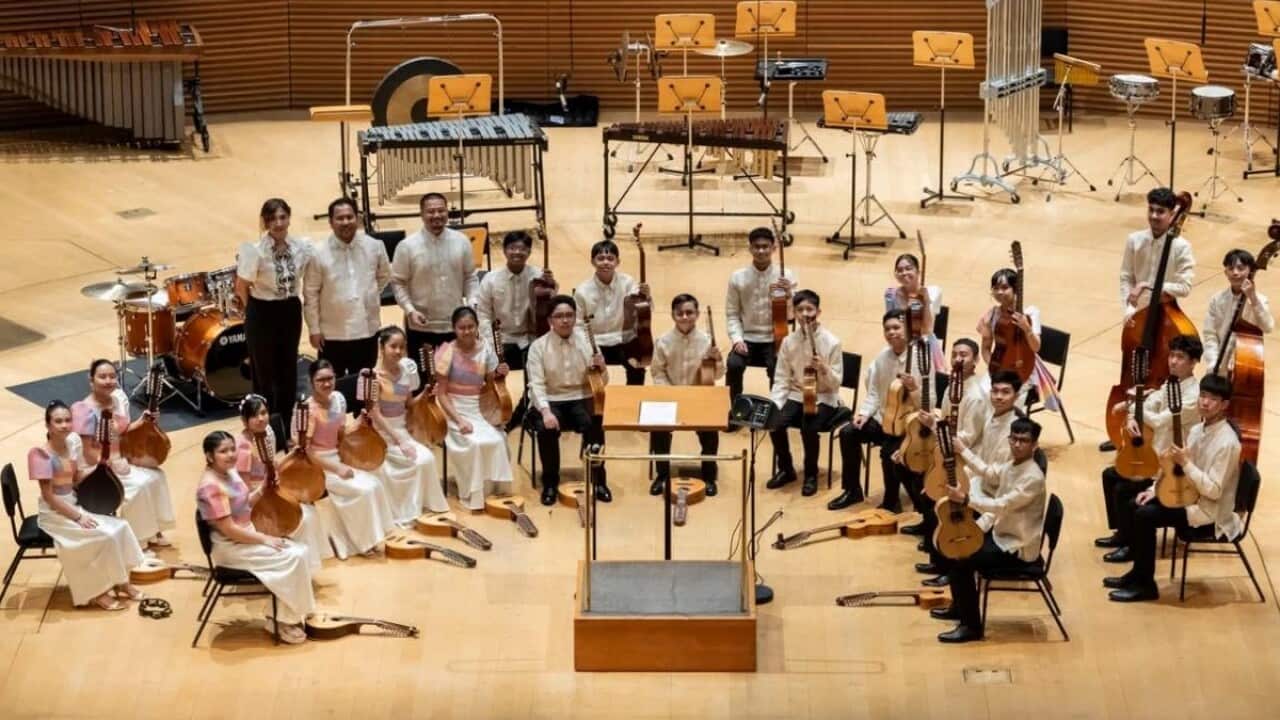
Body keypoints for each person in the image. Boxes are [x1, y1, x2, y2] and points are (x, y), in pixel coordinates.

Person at [1106, 374, 1242, 602]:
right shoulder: (1199, 429)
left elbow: (1214, 490)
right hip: (1190, 495)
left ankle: (1145, 585)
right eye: (1203, 396)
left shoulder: (1227, 443)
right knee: (1135, 502)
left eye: (1213, 399)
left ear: (1225, 405)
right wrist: (1154, 489)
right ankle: (1138, 573)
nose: (1205, 402)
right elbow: (1173, 466)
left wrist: (1186, 463)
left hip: (1209, 511)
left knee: (1145, 516)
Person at [935, 417, 1048, 643]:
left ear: (1034, 445)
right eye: (1013, 439)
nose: (1017, 445)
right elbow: (989, 474)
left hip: (1017, 549)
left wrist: (966, 499)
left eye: (1023, 441)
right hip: (1001, 535)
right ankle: (961, 608)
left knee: (961, 559)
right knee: (956, 543)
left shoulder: (1032, 477)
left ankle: (971, 627)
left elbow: (1002, 505)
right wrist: (963, 451)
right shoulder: (1013, 464)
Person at [197, 430, 316, 644]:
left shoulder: (229, 473)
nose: (231, 454)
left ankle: (286, 615)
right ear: (209, 456)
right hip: (230, 548)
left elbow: (245, 504)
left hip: (245, 536)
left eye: (232, 448)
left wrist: (263, 489)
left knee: (301, 549)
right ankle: (280, 621)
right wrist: (264, 538)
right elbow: (229, 529)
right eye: (223, 451)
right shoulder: (210, 487)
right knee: (294, 556)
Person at [28, 400, 146, 611]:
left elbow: (76, 478)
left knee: (120, 527)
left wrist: (99, 466)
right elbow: (49, 497)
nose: (64, 425)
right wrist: (78, 517)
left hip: (73, 502)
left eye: (67, 420)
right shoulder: (40, 455)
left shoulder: (72, 444)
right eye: (58, 421)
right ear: (47, 425)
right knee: (103, 536)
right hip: (55, 514)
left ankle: (122, 582)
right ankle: (97, 592)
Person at [1096, 335, 1202, 562]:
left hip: (1171, 468)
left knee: (1124, 490)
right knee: (1110, 475)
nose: (1173, 361)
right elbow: (1150, 404)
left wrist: (1134, 410)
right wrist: (1134, 415)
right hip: (1154, 455)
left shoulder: (1194, 396)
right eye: (1172, 355)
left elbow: (1161, 420)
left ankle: (1131, 543)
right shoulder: (1170, 383)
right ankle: (1122, 533)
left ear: (1193, 362)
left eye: (1180, 357)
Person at [765, 290, 858, 505]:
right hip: (798, 394)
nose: (805, 313)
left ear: (818, 312)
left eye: (809, 309)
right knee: (774, 424)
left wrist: (824, 368)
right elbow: (781, 378)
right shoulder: (788, 342)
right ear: (794, 313)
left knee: (809, 427)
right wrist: (775, 405)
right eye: (800, 310)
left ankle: (811, 475)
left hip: (824, 396)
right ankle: (786, 469)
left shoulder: (832, 342)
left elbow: (836, 383)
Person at [71, 359, 175, 548]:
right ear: (91, 380)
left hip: (121, 459)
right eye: (102, 376)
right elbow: (87, 453)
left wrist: (142, 421)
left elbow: (123, 430)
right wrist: (111, 463)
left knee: (157, 476)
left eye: (112, 376)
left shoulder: (118, 399)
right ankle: (138, 540)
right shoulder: (83, 410)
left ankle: (155, 530)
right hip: (97, 466)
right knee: (140, 484)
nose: (109, 380)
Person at [304, 360, 396, 559]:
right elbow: (306, 451)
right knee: (363, 491)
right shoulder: (307, 411)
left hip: (338, 457)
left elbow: (341, 433)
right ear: (311, 382)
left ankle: (373, 537)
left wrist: (359, 423)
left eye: (330, 378)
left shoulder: (338, 399)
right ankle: (361, 544)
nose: (327, 384)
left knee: (375, 484)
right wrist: (336, 469)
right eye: (321, 380)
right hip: (319, 465)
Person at [526, 294, 611, 506]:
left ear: (575, 318)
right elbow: (536, 385)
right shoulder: (538, 347)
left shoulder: (588, 343)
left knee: (597, 422)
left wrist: (603, 368)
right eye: (559, 316)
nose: (565, 320)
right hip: (550, 400)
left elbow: (602, 382)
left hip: (580, 397)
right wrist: (545, 412)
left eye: (569, 315)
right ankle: (550, 483)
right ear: (550, 321)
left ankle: (598, 479)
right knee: (545, 430)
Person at [235, 394, 335, 571]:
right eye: (254, 416)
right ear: (245, 420)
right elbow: (243, 493)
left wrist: (293, 454)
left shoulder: (267, 432)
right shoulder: (242, 448)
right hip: (257, 503)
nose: (261, 418)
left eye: (264, 413)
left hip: (271, 491)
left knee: (310, 512)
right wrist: (266, 490)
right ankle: (300, 568)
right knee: (303, 519)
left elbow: (273, 467)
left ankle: (307, 567)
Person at [838, 310, 921, 513]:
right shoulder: (882, 358)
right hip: (884, 419)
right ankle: (852, 490)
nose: (892, 332)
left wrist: (914, 389)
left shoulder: (920, 360)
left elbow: (930, 403)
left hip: (907, 427)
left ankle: (892, 500)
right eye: (887, 329)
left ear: (907, 330)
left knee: (888, 452)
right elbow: (874, 392)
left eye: (896, 328)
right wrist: (864, 414)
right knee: (848, 432)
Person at [235, 198, 310, 416]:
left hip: (290, 309)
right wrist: (253, 312)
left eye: (282, 217)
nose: (278, 223)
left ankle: (287, 421)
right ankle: (265, 423)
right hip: (262, 311)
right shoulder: (255, 251)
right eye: (272, 219)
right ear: (265, 222)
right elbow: (242, 286)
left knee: (288, 367)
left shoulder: (300, 247)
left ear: (289, 218)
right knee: (263, 371)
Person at [434, 308, 515, 510]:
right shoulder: (446, 352)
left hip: (480, 406)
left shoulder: (486, 349)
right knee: (474, 443)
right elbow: (441, 394)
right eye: (462, 328)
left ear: (477, 327)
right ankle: (474, 495)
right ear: (454, 329)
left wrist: (499, 374)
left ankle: (494, 493)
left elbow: (490, 383)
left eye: (471, 327)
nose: (467, 331)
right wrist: (459, 421)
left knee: (497, 439)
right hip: (454, 408)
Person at [476, 230, 556, 430]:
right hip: (500, 338)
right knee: (484, 366)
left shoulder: (539, 277)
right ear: (504, 251)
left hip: (529, 338)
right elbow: (483, 314)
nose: (517, 252)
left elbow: (551, 308)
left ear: (529, 251)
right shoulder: (491, 279)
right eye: (512, 248)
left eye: (522, 249)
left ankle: (524, 412)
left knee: (540, 372)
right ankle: (493, 409)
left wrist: (552, 287)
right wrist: (490, 343)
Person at [364, 326, 446, 523]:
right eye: (393, 346)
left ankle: (420, 505)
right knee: (409, 462)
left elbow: (409, 404)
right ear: (382, 348)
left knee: (426, 459)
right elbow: (373, 412)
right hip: (382, 434)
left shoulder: (406, 372)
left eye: (402, 346)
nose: (398, 351)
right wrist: (397, 439)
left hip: (403, 429)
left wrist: (425, 395)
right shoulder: (372, 377)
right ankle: (401, 511)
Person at [303, 197, 391, 378]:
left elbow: (384, 276)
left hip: (366, 331)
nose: (345, 222)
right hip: (332, 334)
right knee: (333, 387)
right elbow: (310, 293)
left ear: (357, 218)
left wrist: (369, 294)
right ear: (330, 222)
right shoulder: (318, 253)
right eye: (340, 218)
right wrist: (314, 329)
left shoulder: (375, 246)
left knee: (363, 385)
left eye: (349, 217)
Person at [390, 192, 479, 369]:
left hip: (454, 326)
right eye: (431, 212)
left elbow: (470, 277)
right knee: (425, 384)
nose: (436, 215)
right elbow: (398, 282)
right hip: (421, 327)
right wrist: (410, 310)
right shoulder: (407, 246)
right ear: (421, 214)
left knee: (455, 380)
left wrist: (472, 303)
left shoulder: (462, 241)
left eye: (441, 210)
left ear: (447, 212)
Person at [649, 293, 724, 497]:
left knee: (710, 431)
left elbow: (717, 375)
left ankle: (708, 474)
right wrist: (671, 394)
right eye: (680, 313)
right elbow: (657, 371)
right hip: (670, 395)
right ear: (673, 315)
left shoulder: (708, 342)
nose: (684, 317)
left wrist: (717, 360)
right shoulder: (663, 341)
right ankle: (662, 474)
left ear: (697, 314)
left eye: (689, 312)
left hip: (699, 396)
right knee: (659, 430)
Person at [725, 227, 796, 403]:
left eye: (766, 246)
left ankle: (776, 412)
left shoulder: (785, 276)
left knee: (778, 369)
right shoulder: (737, 277)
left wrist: (790, 296)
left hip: (775, 338)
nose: (761, 251)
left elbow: (794, 316)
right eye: (756, 247)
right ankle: (735, 409)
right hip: (747, 338)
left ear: (774, 248)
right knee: (734, 365)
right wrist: (737, 340)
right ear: (750, 248)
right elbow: (732, 313)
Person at [574, 239, 649, 386]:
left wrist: (645, 296)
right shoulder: (582, 291)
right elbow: (577, 325)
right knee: (590, 372)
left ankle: (632, 402)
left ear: (618, 261)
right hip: (595, 342)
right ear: (592, 261)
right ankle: (594, 404)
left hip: (623, 339)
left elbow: (642, 308)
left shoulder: (628, 282)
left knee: (638, 365)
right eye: (600, 258)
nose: (606, 262)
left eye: (610, 258)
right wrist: (589, 347)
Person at [1120, 186, 1195, 321]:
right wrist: (1129, 309)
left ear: (1172, 215)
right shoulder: (1134, 240)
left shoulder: (1182, 247)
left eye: (1160, 212)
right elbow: (1126, 278)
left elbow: (1185, 287)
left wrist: (1149, 286)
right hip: (1137, 313)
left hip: (1165, 314)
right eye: (1151, 210)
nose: (1154, 216)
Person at [1201, 248, 1275, 375]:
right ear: (1225, 272)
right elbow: (1209, 335)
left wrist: (1253, 298)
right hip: (1219, 366)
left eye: (1241, 268)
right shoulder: (1217, 300)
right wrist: (1214, 362)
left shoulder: (1260, 300)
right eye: (1231, 268)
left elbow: (1268, 327)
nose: (1235, 273)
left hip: (1247, 367)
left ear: (1250, 271)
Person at [884, 253, 946, 374]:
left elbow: (927, 330)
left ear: (918, 271)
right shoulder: (890, 295)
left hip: (923, 346)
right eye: (900, 270)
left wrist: (926, 301)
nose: (904, 273)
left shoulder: (932, 293)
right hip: (900, 344)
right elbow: (889, 324)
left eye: (908, 268)